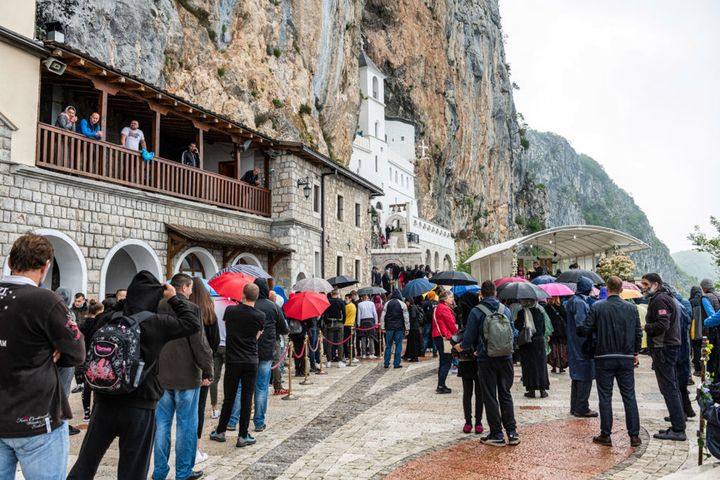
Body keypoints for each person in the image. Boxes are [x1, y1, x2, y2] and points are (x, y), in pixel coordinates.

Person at [69, 271, 201, 479]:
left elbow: (82, 330)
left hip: (104, 402)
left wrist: (120, 305)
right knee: (133, 470)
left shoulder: (107, 319)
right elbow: (192, 323)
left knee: (86, 463)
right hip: (140, 404)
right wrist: (174, 298)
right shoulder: (155, 322)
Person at [0, 233, 86, 479]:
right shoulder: (46, 301)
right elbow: (77, 351)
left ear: (11, 261)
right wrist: (54, 351)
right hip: (36, 418)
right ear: (45, 265)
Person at [153, 274, 213, 480]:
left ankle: (160, 471)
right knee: (186, 425)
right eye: (189, 288)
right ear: (185, 287)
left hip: (161, 374)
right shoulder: (191, 309)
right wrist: (208, 369)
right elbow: (200, 344)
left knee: (161, 424)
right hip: (186, 374)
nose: (190, 291)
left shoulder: (157, 307)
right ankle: (183, 472)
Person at [580, 276, 642, 447]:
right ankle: (634, 435)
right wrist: (635, 352)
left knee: (605, 396)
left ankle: (605, 434)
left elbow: (586, 328)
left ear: (606, 288)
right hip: (626, 357)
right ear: (621, 289)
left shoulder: (597, 307)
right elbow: (638, 333)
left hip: (603, 357)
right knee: (629, 396)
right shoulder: (631, 308)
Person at [457, 281, 519, 447]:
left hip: (486, 359)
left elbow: (468, 338)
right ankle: (512, 432)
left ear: (481, 295)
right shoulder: (505, 310)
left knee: (490, 396)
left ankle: (497, 433)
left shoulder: (476, 311)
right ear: (495, 293)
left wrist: (460, 346)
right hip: (506, 358)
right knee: (505, 394)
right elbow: (513, 333)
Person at [226, 279, 288, 433]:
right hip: (265, 352)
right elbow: (284, 328)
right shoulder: (273, 307)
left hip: (245, 351)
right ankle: (259, 422)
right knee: (261, 387)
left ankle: (233, 421)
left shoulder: (243, 307)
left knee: (240, 387)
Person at [210, 283, 265, 448]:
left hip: (233, 358)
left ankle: (220, 431)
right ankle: (243, 435)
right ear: (256, 297)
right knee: (247, 397)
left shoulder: (231, 311)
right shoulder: (260, 315)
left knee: (229, 397)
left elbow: (229, 329)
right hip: (250, 359)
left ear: (243, 294)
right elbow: (256, 336)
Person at [641, 273, 686, 441]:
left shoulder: (660, 300)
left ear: (656, 284)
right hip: (667, 346)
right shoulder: (664, 298)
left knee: (669, 387)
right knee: (671, 386)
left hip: (664, 348)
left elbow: (662, 324)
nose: (643, 287)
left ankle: (678, 428)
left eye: (645, 284)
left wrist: (645, 327)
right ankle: (678, 423)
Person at [190, 277, 220, 465]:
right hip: (202, 367)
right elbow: (214, 343)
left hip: (183, 366)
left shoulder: (183, 311)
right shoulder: (209, 313)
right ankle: (195, 449)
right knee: (198, 409)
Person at [565, 276, 598, 418]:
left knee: (577, 377)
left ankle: (575, 406)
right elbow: (582, 325)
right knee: (585, 375)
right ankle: (582, 407)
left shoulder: (572, 301)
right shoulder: (580, 303)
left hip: (574, 344)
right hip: (582, 345)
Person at [515, 299, 550, 398]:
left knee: (529, 366)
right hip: (539, 342)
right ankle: (543, 390)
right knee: (541, 366)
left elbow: (517, 328)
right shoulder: (539, 312)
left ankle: (531, 390)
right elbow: (543, 328)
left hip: (527, 343)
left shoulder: (521, 313)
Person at [79, 299, 105, 421]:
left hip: (85, 356)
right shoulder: (100, 324)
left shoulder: (83, 324)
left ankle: (86, 412)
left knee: (86, 385)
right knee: (97, 384)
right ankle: (96, 410)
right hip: (97, 356)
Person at [432, 291, 458, 393]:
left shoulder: (439, 307)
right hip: (444, 337)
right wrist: (457, 333)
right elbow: (451, 324)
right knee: (446, 362)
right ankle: (441, 386)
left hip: (439, 336)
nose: (452, 299)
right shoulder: (444, 308)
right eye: (450, 297)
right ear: (445, 299)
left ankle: (441, 384)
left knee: (443, 361)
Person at [381, 290, 409, 369]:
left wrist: (382, 327)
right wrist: (407, 328)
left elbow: (383, 316)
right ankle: (396, 363)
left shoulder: (387, 303)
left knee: (388, 346)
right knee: (398, 345)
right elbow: (406, 318)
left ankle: (386, 363)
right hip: (399, 328)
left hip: (389, 327)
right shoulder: (402, 304)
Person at [700, 278, 720, 377]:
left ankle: (712, 380)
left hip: (711, 332)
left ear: (703, 288)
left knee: (710, 358)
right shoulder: (718, 295)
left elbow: (711, 315)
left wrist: (705, 322)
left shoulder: (705, 298)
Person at [324, 289, 347, 367]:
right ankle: (340, 361)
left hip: (330, 323)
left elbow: (325, 313)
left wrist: (327, 322)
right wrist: (343, 322)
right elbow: (344, 313)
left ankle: (329, 361)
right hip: (339, 323)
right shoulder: (341, 301)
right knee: (340, 342)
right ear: (337, 293)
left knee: (329, 343)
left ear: (331, 293)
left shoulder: (328, 301)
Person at [545, 296, 568, 373]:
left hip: (552, 331)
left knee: (553, 348)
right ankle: (561, 366)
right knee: (561, 348)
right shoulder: (561, 307)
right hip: (561, 332)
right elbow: (566, 317)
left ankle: (554, 366)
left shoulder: (547, 308)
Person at [357, 294, 378, 358]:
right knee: (371, 337)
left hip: (363, 321)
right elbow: (375, 313)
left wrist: (358, 324)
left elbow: (359, 315)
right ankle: (371, 353)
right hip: (370, 320)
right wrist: (376, 322)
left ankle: (363, 354)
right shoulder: (371, 303)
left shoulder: (359, 304)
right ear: (368, 297)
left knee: (363, 338)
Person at [689, 286, 705, 376]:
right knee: (706, 349)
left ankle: (698, 369)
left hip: (694, 330)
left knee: (696, 348)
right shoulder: (704, 300)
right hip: (705, 329)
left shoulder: (691, 302)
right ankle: (705, 369)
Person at [421, 291, 439, 357]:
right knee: (434, 337)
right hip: (435, 322)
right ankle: (435, 352)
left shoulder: (425, 303)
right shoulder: (437, 303)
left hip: (427, 322)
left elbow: (423, 311)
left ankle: (422, 352)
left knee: (425, 337)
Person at [404, 298, 422, 362]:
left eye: (406, 302)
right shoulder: (413, 307)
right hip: (415, 327)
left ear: (409, 302)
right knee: (411, 342)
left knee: (413, 343)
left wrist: (408, 322)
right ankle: (407, 355)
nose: (406, 303)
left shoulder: (412, 308)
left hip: (413, 328)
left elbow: (413, 316)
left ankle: (414, 357)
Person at [344, 293, 357, 361]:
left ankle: (346, 356)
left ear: (350, 299)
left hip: (346, 325)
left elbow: (344, 315)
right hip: (352, 325)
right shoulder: (354, 305)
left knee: (345, 342)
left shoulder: (347, 306)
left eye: (346, 298)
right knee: (351, 342)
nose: (345, 300)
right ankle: (353, 356)